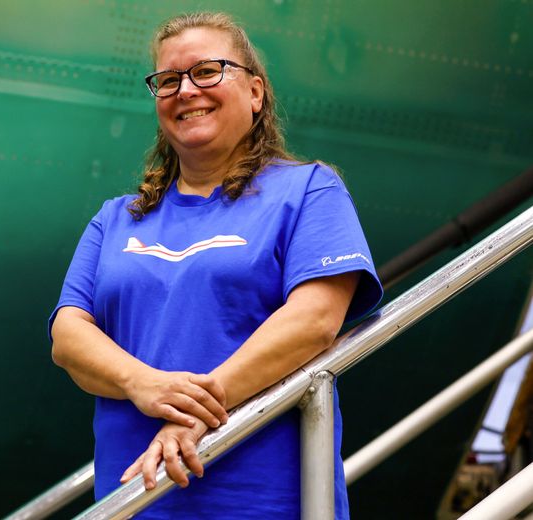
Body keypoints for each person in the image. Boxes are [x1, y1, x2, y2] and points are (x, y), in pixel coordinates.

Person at [49, 11, 383, 519]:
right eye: (168, 80)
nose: (186, 90)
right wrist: (144, 383)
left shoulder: (308, 190)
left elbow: (315, 321)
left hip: (265, 503)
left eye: (207, 71)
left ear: (255, 92)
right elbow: (69, 336)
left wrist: (198, 411)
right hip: (136, 501)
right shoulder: (115, 219)